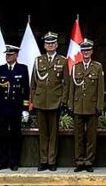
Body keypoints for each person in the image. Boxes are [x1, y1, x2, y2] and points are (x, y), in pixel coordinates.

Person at [30, 31, 67, 171]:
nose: (50, 45)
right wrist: (32, 100)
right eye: (47, 43)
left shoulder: (62, 61)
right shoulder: (38, 60)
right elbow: (33, 83)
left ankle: (52, 161)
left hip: (55, 101)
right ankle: (43, 160)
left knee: (53, 134)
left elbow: (66, 83)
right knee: (42, 133)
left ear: (56, 45)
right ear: (44, 45)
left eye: (52, 43)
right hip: (40, 101)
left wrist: (63, 101)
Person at [0, 45, 30, 171]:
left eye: (11, 54)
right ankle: (2, 161)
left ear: (16, 55)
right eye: (7, 54)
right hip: (2, 109)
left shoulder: (22, 69)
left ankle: (14, 162)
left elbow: (25, 90)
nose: (8, 57)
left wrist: (25, 108)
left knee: (15, 136)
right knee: (1, 136)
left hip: (16, 108)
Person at [68, 39, 104, 172]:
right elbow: (72, 88)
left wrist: (99, 106)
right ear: (81, 52)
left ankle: (89, 161)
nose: (86, 53)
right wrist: (70, 106)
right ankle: (79, 161)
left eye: (88, 50)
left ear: (92, 51)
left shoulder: (97, 67)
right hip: (78, 106)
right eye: (84, 51)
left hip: (92, 106)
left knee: (91, 136)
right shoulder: (76, 67)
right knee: (78, 136)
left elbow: (100, 88)